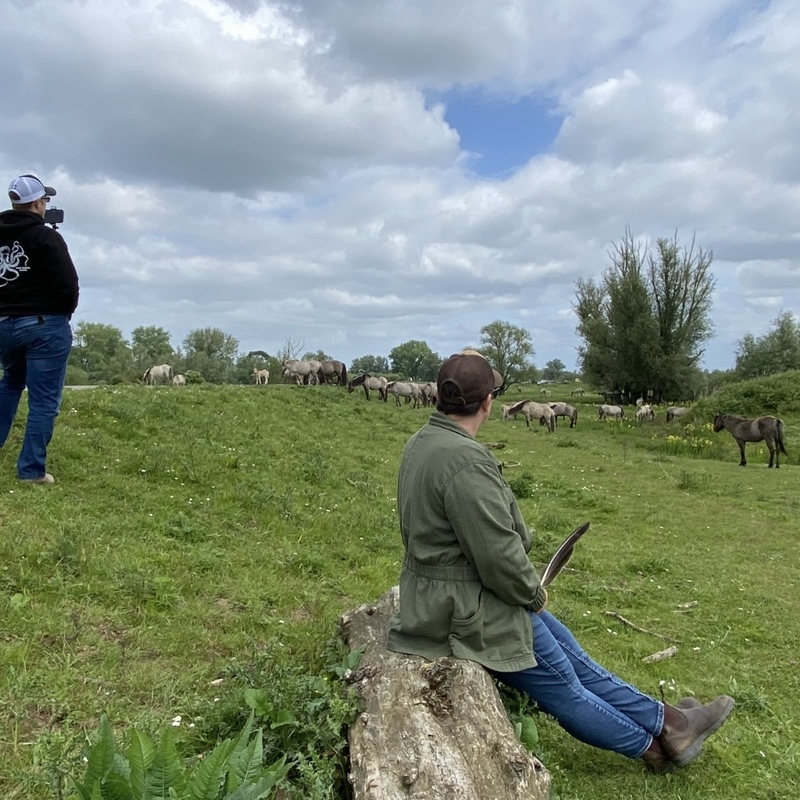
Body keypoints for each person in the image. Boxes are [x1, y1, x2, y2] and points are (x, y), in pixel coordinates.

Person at [386, 351, 734, 773]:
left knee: (569, 650)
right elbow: (500, 560)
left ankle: (671, 722)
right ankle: (654, 747)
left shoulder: (424, 440)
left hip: (446, 595)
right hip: (464, 608)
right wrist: (532, 595)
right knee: (564, 687)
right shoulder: (465, 462)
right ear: (488, 402)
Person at [0, 174, 79, 484]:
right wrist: (64, 313)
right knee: (44, 400)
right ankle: (31, 470)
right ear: (35, 204)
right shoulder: (46, 237)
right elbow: (67, 284)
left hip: (4, 324)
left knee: (10, 383)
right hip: (44, 324)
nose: (47, 205)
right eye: (45, 200)